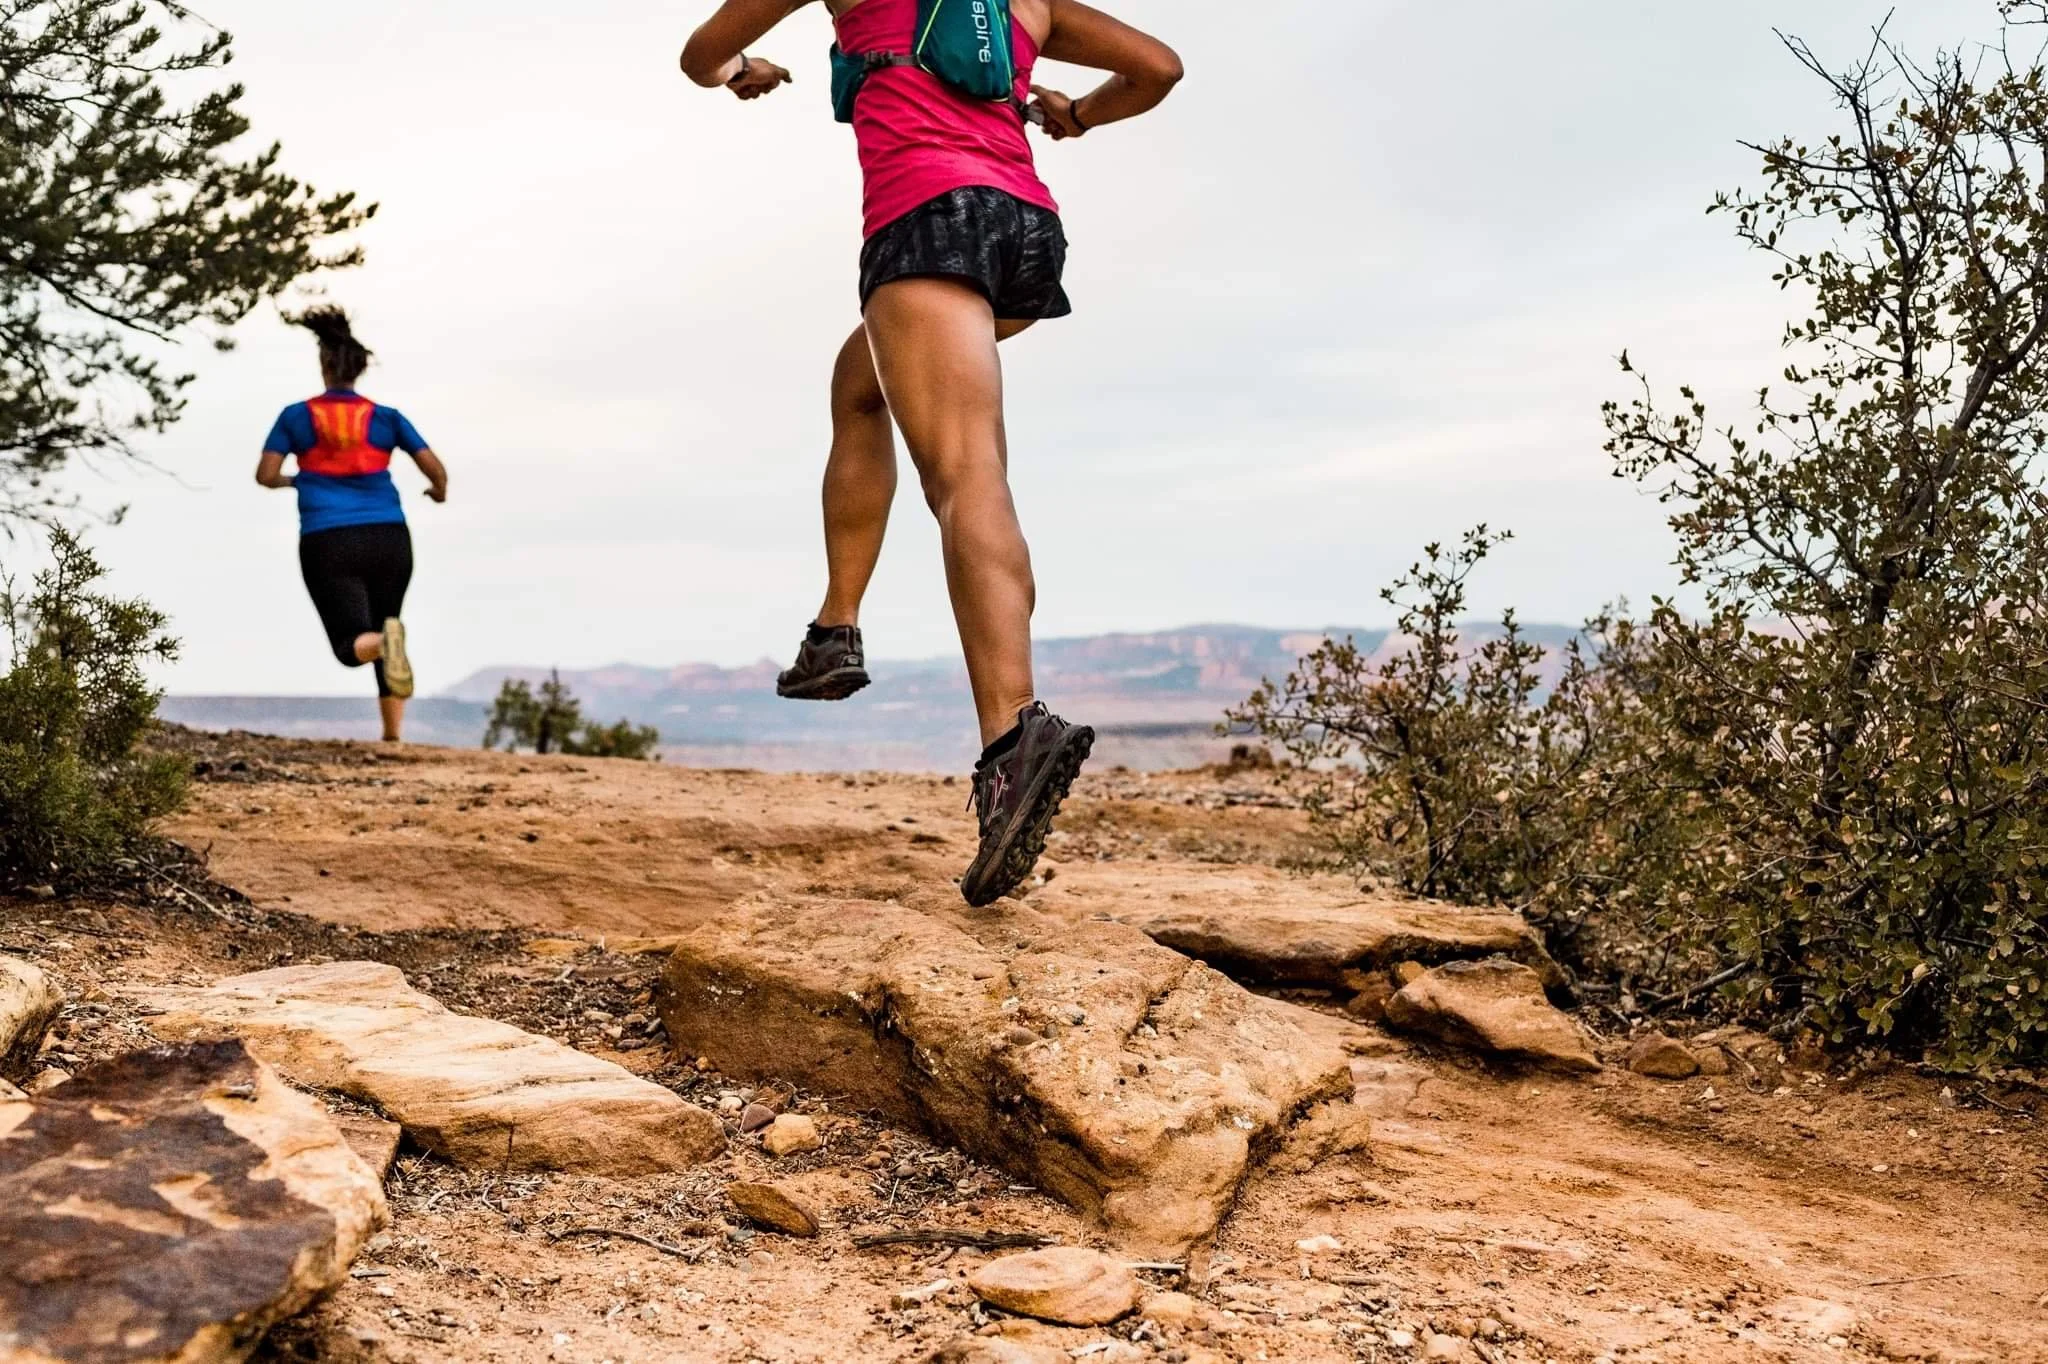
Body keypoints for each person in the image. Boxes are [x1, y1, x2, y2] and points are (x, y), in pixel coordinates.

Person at [680, 0, 1182, 905]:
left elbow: (699, 55)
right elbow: (1158, 67)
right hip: (1026, 232)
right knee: (859, 386)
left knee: (964, 475)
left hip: (928, 222)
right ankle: (835, 628)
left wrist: (740, 74)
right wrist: (1077, 114)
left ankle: (1011, 739)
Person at [255, 308, 448, 743]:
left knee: (353, 643)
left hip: (329, 539)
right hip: (390, 537)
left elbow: (265, 475)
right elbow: (435, 468)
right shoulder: (386, 417)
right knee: (388, 621)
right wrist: (438, 492)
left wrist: (298, 481)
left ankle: (383, 645)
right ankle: (393, 736)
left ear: (324, 366)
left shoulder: (296, 417)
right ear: (358, 369)